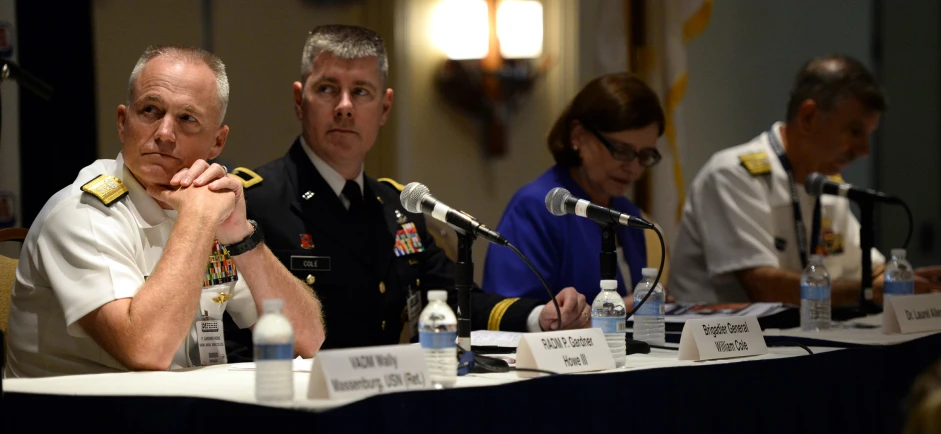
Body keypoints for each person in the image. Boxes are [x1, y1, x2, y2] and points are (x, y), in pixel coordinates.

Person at [224, 25, 589, 354]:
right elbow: (232, 333)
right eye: (327, 89)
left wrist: (541, 316)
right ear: (299, 100)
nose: (345, 107)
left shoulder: (397, 207)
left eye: (361, 92)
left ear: (384, 108)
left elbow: (453, 299)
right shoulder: (255, 202)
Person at [4, 45, 325, 378]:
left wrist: (242, 236)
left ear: (217, 143)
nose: (164, 133)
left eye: (186, 119)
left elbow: (307, 340)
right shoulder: (82, 214)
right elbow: (146, 350)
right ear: (122, 122)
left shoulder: (204, 205)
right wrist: (198, 219)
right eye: (150, 110)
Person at [670, 53, 941, 304]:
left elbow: (870, 271)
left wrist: (910, 282)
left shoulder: (827, 183)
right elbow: (763, 287)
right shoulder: (733, 174)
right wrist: (869, 292)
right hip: (721, 348)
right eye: (854, 131)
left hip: (793, 341)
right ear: (808, 117)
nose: (864, 151)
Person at [482, 72, 669, 306]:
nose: (633, 168)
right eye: (621, 150)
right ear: (578, 136)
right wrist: (623, 308)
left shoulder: (625, 211)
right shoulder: (536, 208)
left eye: (645, 155)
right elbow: (511, 316)